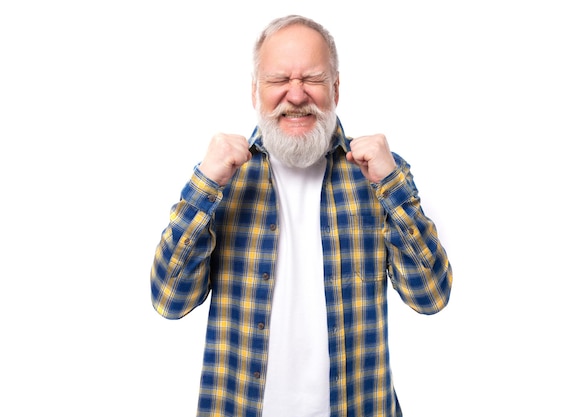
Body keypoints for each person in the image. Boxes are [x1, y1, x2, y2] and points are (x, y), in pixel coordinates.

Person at [150, 14, 453, 417]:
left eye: (312, 78)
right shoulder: (223, 178)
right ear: (255, 91)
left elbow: (430, 296)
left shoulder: (379, 175)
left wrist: (392, 184)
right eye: (279, 80)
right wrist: (205, 184)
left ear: (336, 88)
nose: (296, 95)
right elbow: (169, 300)